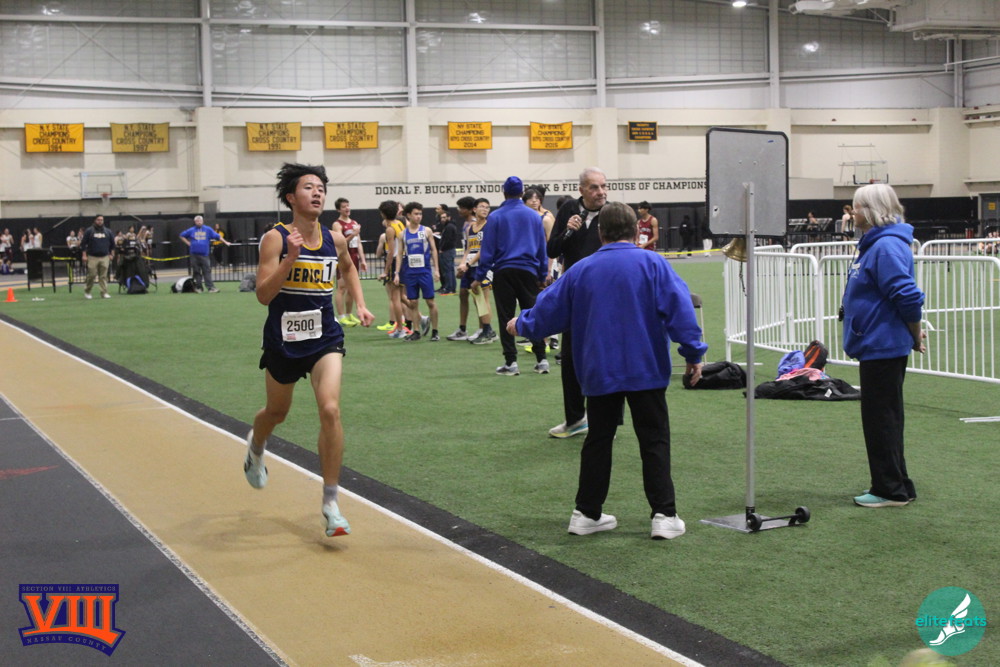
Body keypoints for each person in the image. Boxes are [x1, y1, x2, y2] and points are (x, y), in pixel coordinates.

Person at [507, 202, 706, 539]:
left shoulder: (581, 270)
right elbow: (680, 310)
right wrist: (693, 354)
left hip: (600, 370)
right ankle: (664, 515)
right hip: (646, 369)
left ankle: (586, 513)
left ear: (600, 233)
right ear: (636, 230)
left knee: (598, 439)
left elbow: (550, 310)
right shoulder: (654, 264)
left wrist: (521, 324)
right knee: (654, 439)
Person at [244, 162, 374, 538]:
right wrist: (290, 259)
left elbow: (348, 268)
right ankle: (256, 446)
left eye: (321, 188)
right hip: (283, 342)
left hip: (324, 338)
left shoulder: (335, 239)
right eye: (308, 187)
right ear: (291, 197)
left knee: (330, 409)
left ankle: (331, 503)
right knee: (276, 412)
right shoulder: (275, 238)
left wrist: (360, 303)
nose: (317, 193)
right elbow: (263, 295)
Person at [842, 184, 925, 509]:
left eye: (857, 206)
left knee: (881, 419)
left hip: (882, 344)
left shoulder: (885, 247)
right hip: (878, 342)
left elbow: (907, 296)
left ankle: (889, 489)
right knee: (886, 417)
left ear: (872, 210)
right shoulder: (877, 244)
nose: (853, 212)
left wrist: (915, 333)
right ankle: (899, 484)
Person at [545, 167, 608, 436]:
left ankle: (605, 421)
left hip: (605, 297)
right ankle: (575, 419)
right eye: (594, 187)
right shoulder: (569, 210)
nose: (601, 192)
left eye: (604, 186)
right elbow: (552, 249)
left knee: (603, 358)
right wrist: (567, 231)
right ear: (581, 189)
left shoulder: (612, 213)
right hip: (574, 296)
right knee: (570, 358)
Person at [473, 176, 548, 375]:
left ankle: (511, 362)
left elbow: (487, 250)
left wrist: (479, 277)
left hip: (504, 271)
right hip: (529, 271)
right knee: (532, 314)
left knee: (506, 316)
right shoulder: (534, 216)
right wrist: (542, 275)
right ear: (522, 193)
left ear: (504, 192)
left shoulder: (495, 217)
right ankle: (541, 359)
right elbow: (542, 248)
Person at [452, 198, 496, 344]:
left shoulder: (489, 226)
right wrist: (462, 264)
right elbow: (468, 249)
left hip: (483, 265)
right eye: (482, 206)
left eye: (487, 207)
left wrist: (468, 264)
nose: (485, 209)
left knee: (482, 298)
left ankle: (487, 330)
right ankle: (469, 329)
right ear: (474, 209)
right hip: (470, 266)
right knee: (465, 293)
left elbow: (484, 249)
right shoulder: (470, 228)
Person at [394, 202, 440, 341]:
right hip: (410, 273)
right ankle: (416, 331)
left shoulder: (426, 231)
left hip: (425, 272)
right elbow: (399, 254)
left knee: (430, 301)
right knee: (413, 302)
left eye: (420, 214)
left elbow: (434, 250)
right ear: (408, 215)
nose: (418, 216)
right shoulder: (402, 234)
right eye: (416, 214)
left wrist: (436, 270)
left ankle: (435, 331)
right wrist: (397, 273)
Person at [331, 198, 368, 327]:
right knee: (341, 287)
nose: (347, 208)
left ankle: (348, 314)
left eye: (348, 205)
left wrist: (363, 259)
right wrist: (353, 234)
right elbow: (340, 242)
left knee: (352, 287)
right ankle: (341, 316)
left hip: (354, 257)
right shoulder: (337, 224)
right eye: (344, 206)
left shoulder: (354, 223)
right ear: (338, 209)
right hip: (343, 257)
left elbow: (358, 243)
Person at [180, 215, 230, 293]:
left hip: (204, 254)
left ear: (203, 221)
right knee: (196, 272)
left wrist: (226, 242)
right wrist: (188, 243)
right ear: (195, 222)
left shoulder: (208, 229)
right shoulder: (191, 230)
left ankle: (210, 288)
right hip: (194, 254)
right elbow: (182, 235)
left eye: (200, 220)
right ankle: (199, 288)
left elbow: (218, 236)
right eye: (197, 221)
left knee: (207, 271)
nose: (199, 222)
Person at [80, 215, 114, 299]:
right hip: (92, 256)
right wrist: (84, 255)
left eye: (101, 220)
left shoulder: (108, 231)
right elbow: (83, 244)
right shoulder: (89, 231)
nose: (100, 221)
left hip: (105, 256)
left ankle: (104, 292)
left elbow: (112, 244)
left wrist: (111, 254)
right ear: (95, 220)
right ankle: (87, 291)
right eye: (98, 220)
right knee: (92, 275)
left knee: (103, 276)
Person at [436, 206, 459, 295]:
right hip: (449, 251)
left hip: (447, 251)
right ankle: (451, 288)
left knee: (447, 270)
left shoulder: (449, 227)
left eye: (444, 217)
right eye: (441, 218)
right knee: (450, 270)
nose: (442, 219)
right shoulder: (448, 226)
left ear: (449, 217)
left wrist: (442, 249)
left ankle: (449, 288)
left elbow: (448, 240)